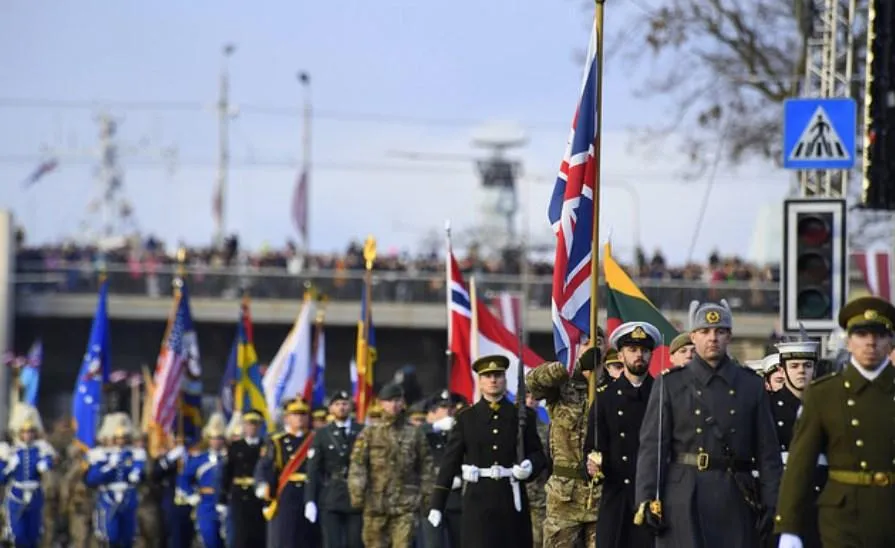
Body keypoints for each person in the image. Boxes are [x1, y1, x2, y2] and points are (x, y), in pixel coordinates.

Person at [634, 299, 782, 547]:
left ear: (729, 337)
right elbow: (653, 447)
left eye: (720, 331)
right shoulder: (670, 384)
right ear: (693, 337)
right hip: (683, 495)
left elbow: (768, 452)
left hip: (735, 494)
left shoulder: (750, 385)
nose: (712, 338)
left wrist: (773, 501)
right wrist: (646, 498)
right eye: (704, 331)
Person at [775, 296, 895, 547]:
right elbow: (800, 465)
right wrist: (789, 528)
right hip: (842, 518)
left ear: (890, 342)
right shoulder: (824, 394)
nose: (871, 342)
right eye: (862, 334)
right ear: (849, 342)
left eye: (879, 334)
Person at [428, 355, 547, 548]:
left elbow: (538, 455)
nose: (493, 380)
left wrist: (530, 466)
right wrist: (437, 504)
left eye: (498, 375)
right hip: (478, 502)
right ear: (480, 381)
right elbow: (450, 463)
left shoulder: (522, 415)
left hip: (511, 500)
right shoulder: (467, 418)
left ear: (505, 379)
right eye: (488, 376)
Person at [584, 321, 658, 548]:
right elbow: (592, 446)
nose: (639, 356)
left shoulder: (662, 394)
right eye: (633, 350)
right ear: (621, 354)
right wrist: (591, 465)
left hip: (652, 498)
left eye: (644, 351)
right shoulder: (606, 398)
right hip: (617, 496)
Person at [525, 337, 602, 548]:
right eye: (586, 343)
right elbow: (533, 381)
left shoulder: (610, 387)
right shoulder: (562, 385)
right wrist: (572, 365)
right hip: (564, 497)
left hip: (601, 495)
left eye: (598, 342)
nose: (593, 347)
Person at [349, 383, 433, 548]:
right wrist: (357, 493)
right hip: (376, 505)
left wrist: (428, 496)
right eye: (389, 401)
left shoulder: (415, 433)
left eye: (397, 400)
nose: (393, 405)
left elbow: (426, 466)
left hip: (405, 504)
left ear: (403, 402)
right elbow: (358, 465)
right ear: (381, 403)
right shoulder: (369, 433)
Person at [766, 336, 824, 548]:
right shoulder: (767, 407)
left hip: (820, 501)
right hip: (780, 500)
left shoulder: (826, 406)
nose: (801, 371)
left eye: (807, 365)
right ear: (781, 371)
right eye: (794, 366)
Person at [305, 391, 364, 548]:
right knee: (333, 543)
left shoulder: (363, 431)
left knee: (355, 542)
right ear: (330, 408)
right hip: (331, 495)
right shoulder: (322, 434)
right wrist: (310, 499)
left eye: (345, 404)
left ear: (351, 406)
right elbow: (313, 469)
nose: (341, 408)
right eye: (337, 404)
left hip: (357, 495)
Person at [255, 398, 317, 548]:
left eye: (303, 414)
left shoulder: (315, 439)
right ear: (286, 418)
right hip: (286, 496)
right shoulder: (277, 441)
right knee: (285, 539)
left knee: (309, 539)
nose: (299, 418)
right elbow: (265, 467)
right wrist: (263, 486)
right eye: (295, 414)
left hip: (311, 493)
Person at [85, 413, 146, 548]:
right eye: (117, 438)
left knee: (128, 536)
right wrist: (109, 467)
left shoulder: (134, 453)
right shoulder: (100, 455)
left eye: (123, 438)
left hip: (128, 496)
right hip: (108, 496)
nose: (120, 441)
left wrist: (136, 473)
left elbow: (140, 471)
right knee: (110, 536)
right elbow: (92, 479)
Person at [1, 403, 55, 548]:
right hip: (16, 496)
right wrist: (9, 467)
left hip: (35, 496)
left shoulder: (41, 450)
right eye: (25, 432)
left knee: (34, 535)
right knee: (18, 536)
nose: (28, 435)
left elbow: (50, 463)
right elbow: (2, 478)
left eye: (30, 432)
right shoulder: (10, 452)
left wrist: (45, 464)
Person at [178, 413, 228, 548]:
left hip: (226, 502)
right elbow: (183, 478)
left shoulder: (229, 458)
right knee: (209, 539)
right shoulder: (200, 459)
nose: (216, 441)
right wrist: (190, 495)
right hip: (206, 502)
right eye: (213, 438)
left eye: (219, 438)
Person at [420, 391, 462, 548]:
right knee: (433, 543)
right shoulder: (425, 432)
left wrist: (461, 477)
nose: (449, 411)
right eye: (443, 407)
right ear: (431, 412)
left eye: (451, 407)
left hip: (456, 497)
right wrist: (434, 426)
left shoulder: (458, 431)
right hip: (431, 497)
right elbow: (413, 436)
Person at [220, 410, 267, 548]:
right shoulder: (235, 447)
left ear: (259, 426)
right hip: (239, 494)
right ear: (244, 426)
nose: (251, 427)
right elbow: (227, 472)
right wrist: (222, 498)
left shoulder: (265, 446)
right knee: (240, 534)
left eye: (255, 424)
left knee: (259, 534)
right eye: (248, 424)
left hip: (258, 495)